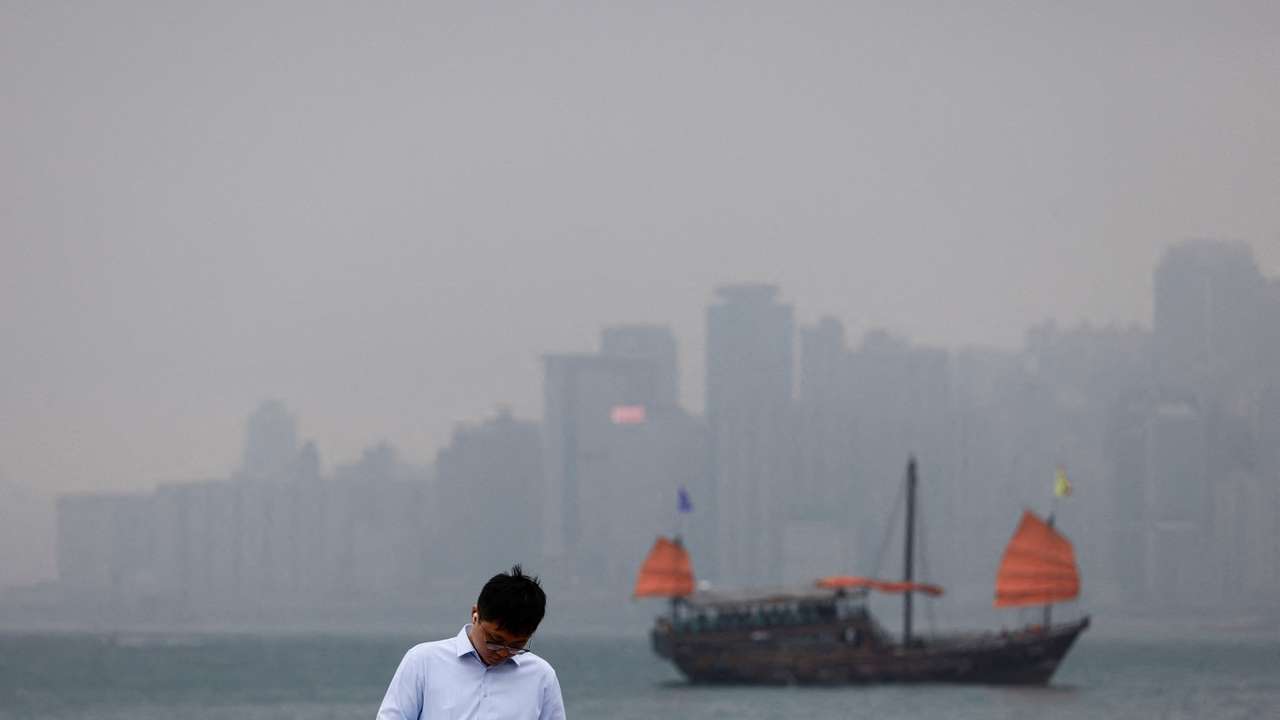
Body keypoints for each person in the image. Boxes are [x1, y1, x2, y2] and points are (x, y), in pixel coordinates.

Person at [376, 565, 566, 719]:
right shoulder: (423, 661)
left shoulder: (542, 676)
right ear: (475, 614)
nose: (502, 652)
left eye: (517, 646)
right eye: (494, 640)